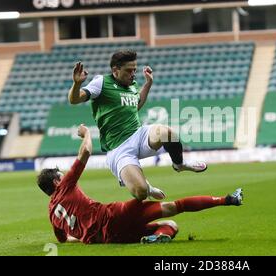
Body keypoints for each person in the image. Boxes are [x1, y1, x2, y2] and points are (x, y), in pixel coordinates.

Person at [37, 124, 243, 244]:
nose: (64, 177)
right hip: (114, 216)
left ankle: (155, 239)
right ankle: (227, 199)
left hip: (109, 238)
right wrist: (87, 133)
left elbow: (63, 239)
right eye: (61, 176)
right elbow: (86, 151)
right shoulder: (65, 186)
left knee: (170, 227)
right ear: (57, 181)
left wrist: (82, 235)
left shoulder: (51, 212)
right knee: (174, 208)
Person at [68, 50, 207, 201]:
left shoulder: (132, 85)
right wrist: (77, 84)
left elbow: (136, 105)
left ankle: (179, 164)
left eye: (134, 69)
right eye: (129, 70)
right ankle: (146, 187)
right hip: (118, 149)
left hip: (139, 135)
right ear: (115, 70)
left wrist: (148, 84)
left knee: (167, 132)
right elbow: (75, 99)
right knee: (140, 193)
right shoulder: (101, 82)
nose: (133, 74)